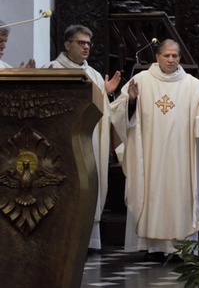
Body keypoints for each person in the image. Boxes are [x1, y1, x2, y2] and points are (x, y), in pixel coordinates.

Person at [110, 39, 199, 259]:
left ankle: (182, 247)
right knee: (152, 192)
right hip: (151, 155)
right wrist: (131, 100)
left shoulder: (192, 84)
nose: (171, 60)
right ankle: (153, 247)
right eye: (166, 55)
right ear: (157, 57)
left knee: (182, 193)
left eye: (175, 56)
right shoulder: (140, 81)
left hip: (182, 155)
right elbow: (119, 115)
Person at [44, 24, 122, 251]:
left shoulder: (94, 75)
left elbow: (103, 113)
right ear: (67, 44)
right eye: (81, 43)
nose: (86, 47)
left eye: (88, 43)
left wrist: (105, 94)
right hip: (64, 144)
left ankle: (89, 242)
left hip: (91, 143)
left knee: (90, 185)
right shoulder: (53, 70)